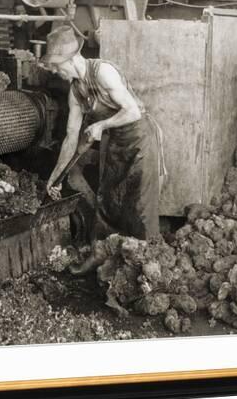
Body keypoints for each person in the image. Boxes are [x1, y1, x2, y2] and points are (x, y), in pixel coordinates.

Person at [41, 26, 164, 272]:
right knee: (107, 199)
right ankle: (101, 255)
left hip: (139, 139)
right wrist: (54, 177)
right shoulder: (76, 91)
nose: (55, 71)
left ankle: (147, 270)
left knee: (139, 205)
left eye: (57, 65)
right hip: (115, 141)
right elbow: (70, 137)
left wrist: (102, 124)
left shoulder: (103, 72)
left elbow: (133, 111)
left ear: (73, 58)